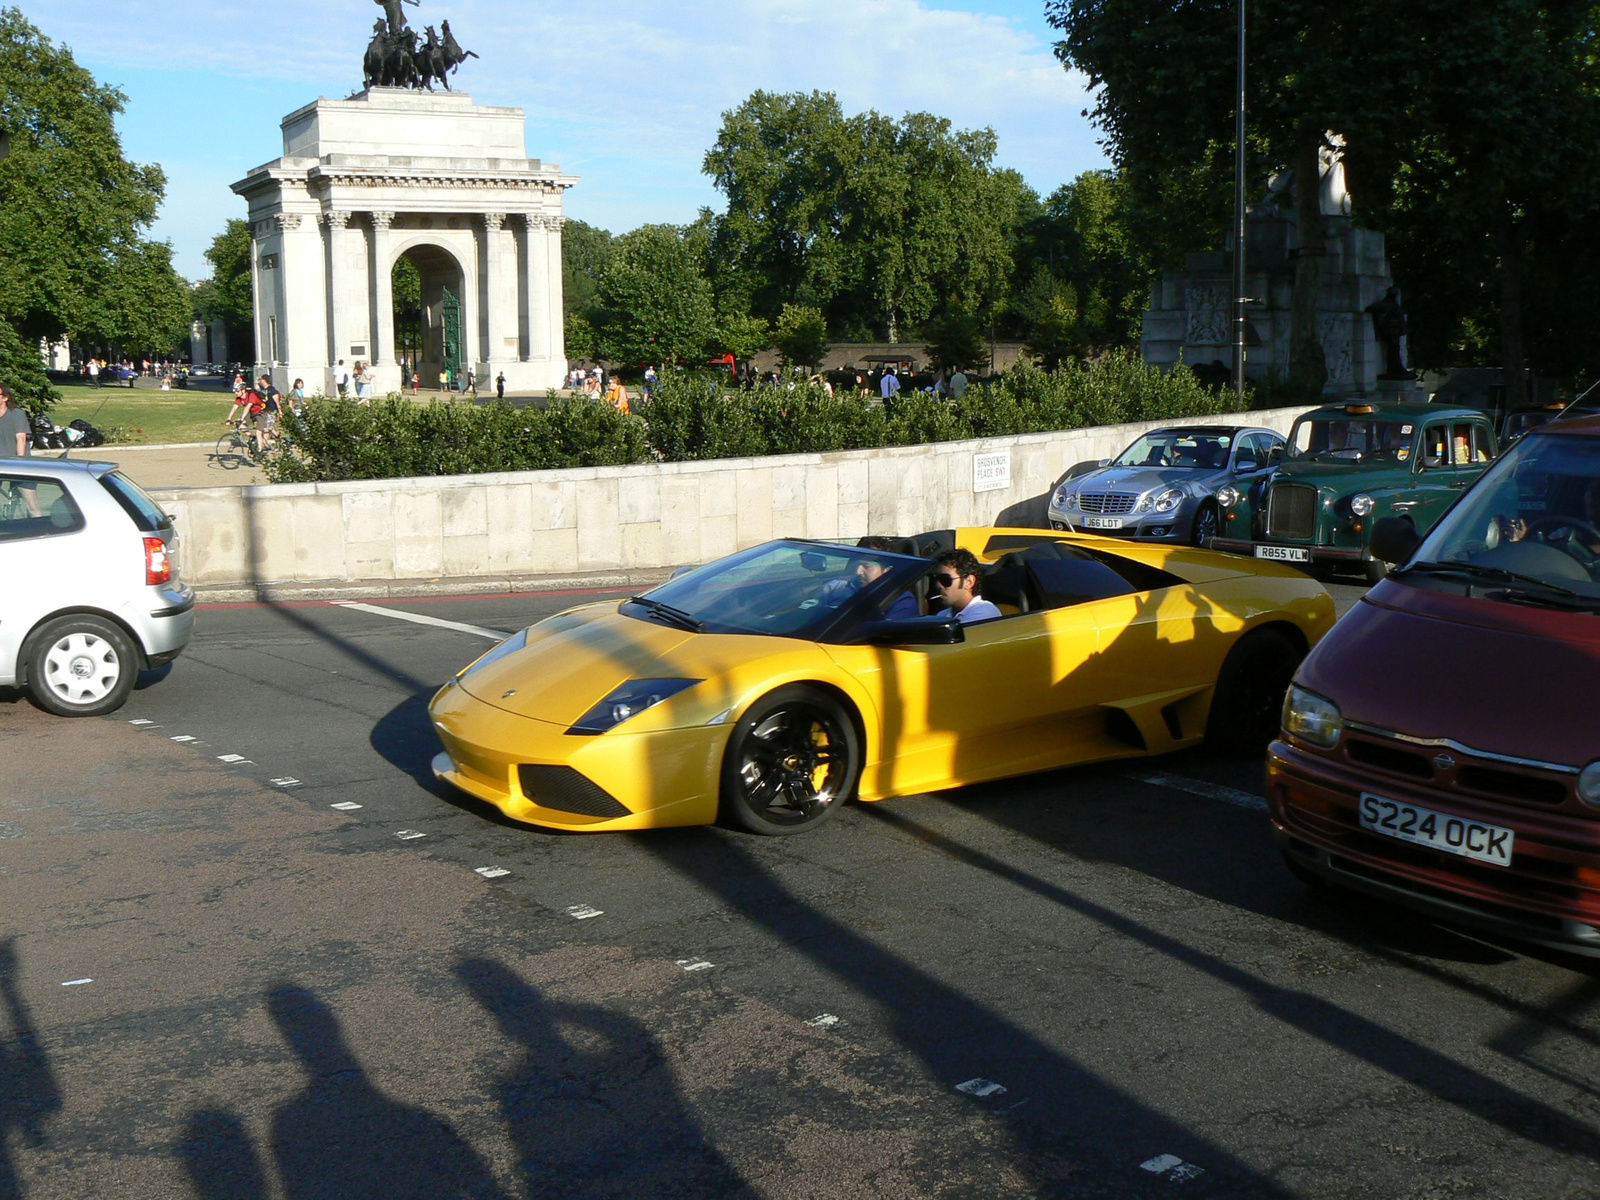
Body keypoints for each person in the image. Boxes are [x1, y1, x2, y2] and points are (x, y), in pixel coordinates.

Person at [930, 549, 1000, 624]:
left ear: (969, 582)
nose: (938, 585)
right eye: (936, 579)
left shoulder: (985, 611)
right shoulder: (942, 615)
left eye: (946, 579)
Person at [855, 537, 920, 619]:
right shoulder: (849, 589)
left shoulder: (902, 602)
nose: (858, 572)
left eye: (867, 567)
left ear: (887, 571)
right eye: (857, 565)